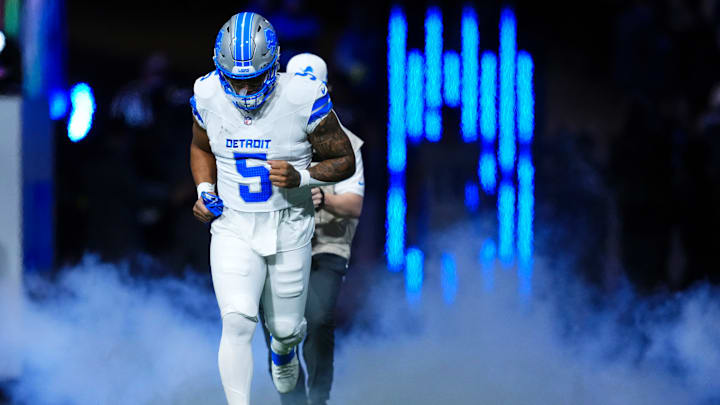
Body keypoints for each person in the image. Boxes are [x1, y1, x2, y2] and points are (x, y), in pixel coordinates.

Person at [188, 12, 355, 405]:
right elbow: (200, 146)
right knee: (237, 321)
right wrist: (205, 189)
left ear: (275, 64)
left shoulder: (302, 96)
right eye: (235, 79)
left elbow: (344, 160)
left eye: (254, 78)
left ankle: (283, 352)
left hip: (290, 225)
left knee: (286, 330)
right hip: (233, 225)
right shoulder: (207, 93)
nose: (244, 89)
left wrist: (303, 176)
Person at [260, 53, 364, 405]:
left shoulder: (345, 142)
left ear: (327, 90)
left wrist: (323, 198)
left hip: (324, 248)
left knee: (318, 321)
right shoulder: (264, 136)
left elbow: (354, 204)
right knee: (278, 330)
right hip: (275, 245)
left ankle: (319, 399)